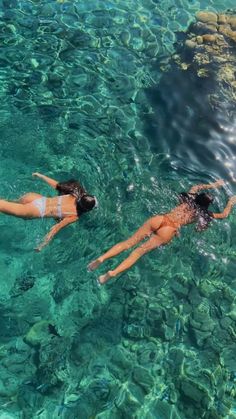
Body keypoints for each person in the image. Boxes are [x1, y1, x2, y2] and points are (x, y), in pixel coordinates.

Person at [88, 179, 236, 284]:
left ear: (198, 198)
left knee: (128, 243)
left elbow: (196, 187)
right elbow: (223, 215)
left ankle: (101, 258)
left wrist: (213, 184)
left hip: (160, 219)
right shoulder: (203, 214)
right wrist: (230, 202)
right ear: (207, 206)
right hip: (169, 230)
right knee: (138, 252)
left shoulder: (189, 198)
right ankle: (112, 274)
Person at [0, 173, 97, 250]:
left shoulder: (73, 194)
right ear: (86, 209)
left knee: (8, 203)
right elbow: (56, 228)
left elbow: (57, 185)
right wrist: (43, 244)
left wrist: (41, 176)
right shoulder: (75, 215)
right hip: (35, 210)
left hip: (33, 197)